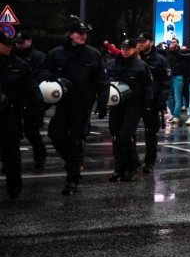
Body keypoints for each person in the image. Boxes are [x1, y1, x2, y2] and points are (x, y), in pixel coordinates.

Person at [41, 20, 110, 195]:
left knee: (76, 139)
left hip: (83, 103)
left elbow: (102, 81)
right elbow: (41, 71)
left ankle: (72, 180)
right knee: (56, 135)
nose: (83, 36)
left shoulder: (92, 54)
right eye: (79, 33)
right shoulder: (56, 53)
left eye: (85, 33)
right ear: (70, 34)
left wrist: (103, 103)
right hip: (63, 103)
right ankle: (73, 162)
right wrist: (50, 77)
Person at [0, 32, 43, 199]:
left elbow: (31, 89)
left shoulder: (19, 65)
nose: (11, 45)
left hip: (9, 114)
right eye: (6, 43)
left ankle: (14, 184)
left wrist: (37, 110)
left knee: (11, 151)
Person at [106, 38, 154, 182]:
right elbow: (104, 82)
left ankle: (130, 167)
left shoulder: (141, 66)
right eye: (123, 48)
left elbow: (148, 86)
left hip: (134, 104)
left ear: (134, 49)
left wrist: (147, 104)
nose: (125, 51)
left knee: (125, 135)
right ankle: (119, 168)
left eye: (128, 48)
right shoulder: (112, 65)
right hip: (116, 104)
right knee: (115, 135)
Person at [132, 33, 171, 173]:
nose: (140, 44)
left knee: (150, 132)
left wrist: (161, 100)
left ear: (151, 42)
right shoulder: (133, 58)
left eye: (143, 41)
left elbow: (166, 83)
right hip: (134, 100)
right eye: (139, 41)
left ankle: (149, 161)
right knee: (128, 132)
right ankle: (132, 160)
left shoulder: (159, 60)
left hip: (152, 101)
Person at [13, 31, 48, 168]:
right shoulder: (12, 56)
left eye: (22, 42)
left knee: (31, 131)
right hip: (16, 98)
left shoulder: (39, 57)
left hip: (31, 97)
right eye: (18, 42)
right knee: (12, 132)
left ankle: (40, 155)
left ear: (30, 41)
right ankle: (11, 162)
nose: (19, 44)